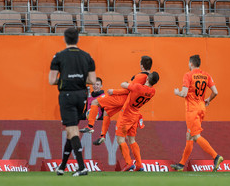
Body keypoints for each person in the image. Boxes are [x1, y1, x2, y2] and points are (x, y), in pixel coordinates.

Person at [48, 27, 97, 177]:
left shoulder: (58, 56)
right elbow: (93, 81)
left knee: (72, 129)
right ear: (78, 39)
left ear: (64, 39)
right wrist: (79, 79)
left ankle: (81, 167)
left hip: (67, 95)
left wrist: (65, 79)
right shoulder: (87, 56)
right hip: (82, 95)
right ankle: (62, 166)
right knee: (71, 130)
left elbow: (51, 81)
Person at [81, 56, 153, 147]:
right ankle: (102, 136)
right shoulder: (148, 78)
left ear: (141, 65)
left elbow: (128, 90)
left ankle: (90, 126)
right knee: (106, 112)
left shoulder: (140, 76)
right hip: (128, 102)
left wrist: (114, 91)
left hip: (122, 98)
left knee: (95, 102)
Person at [171, 54, 223, 172]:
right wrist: (208, 100)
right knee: (189, 136)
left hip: (192, 110)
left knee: (195, 136)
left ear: (190, 63)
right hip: (201, 108)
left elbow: (184, 93)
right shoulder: (206, 75)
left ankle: (216, 156)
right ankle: (181, 164)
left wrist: (176, 92)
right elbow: (215, 92)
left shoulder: (188, 75)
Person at [117, 71, 159, 172]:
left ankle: (129, 163)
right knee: (132, 140)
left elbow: (122, 84)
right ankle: (139, 164)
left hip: (126, 115)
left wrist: (135, 79)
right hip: (135, 116)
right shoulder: (153, 91)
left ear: (148, 79)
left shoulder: (138, 87)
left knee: (120, 140)